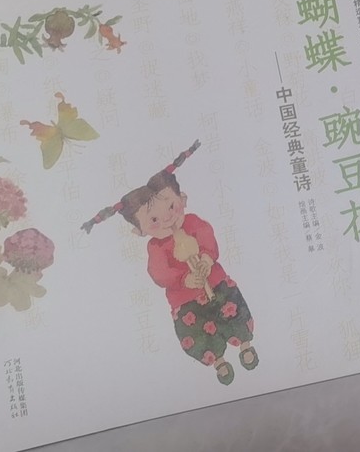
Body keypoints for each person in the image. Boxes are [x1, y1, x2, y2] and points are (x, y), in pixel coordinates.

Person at [82, 142, 257, 385]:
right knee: (196, 329)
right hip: (185, 299)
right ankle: (218, 360)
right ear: (140, 231)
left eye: (171, 206)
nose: (166, 218)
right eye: (153, 219)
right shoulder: (156, 247)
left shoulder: (192, 223)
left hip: (216, 282)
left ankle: (244, 342)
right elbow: (159, 273)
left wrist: (206, 259)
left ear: (183, 199)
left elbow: (206, 236)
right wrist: (184, 278)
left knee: (232, 308)